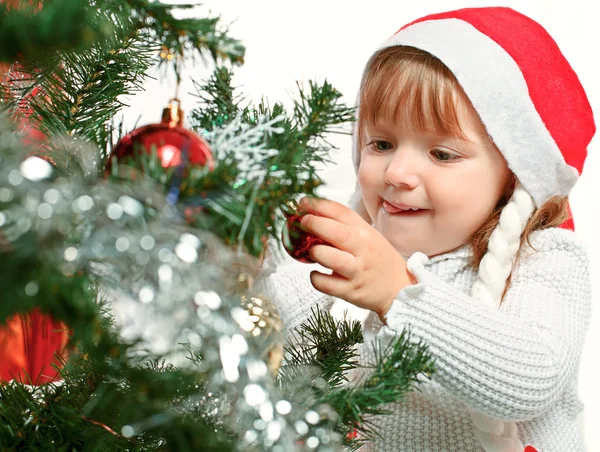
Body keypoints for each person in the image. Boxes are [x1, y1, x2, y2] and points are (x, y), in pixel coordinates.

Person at [260, 6, 596, 452]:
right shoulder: (380, 244)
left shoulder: (547, 258)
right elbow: (278, 323)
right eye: (381, 144)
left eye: (441, 153)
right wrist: (248, 263)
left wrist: (398, 293)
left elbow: (533, 379)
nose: (397, 172)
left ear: (514, 173)